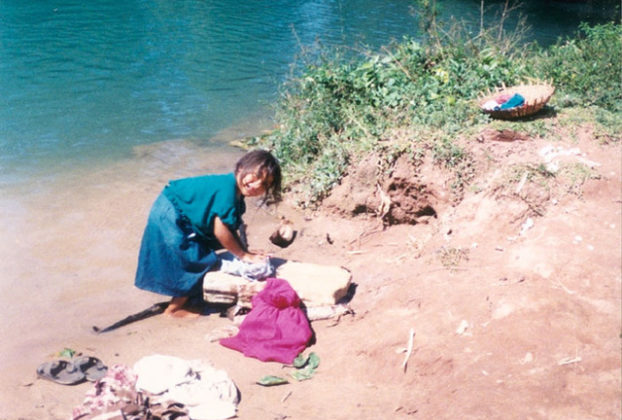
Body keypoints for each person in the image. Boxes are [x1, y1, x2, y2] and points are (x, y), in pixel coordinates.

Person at [134, 149, 282, 318]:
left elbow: (231, 227)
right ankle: (173, 309)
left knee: (199, 254)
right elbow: (220, 230)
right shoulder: (227, 190)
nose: (255, 185)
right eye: (254, 177)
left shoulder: (233, 192)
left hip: (173, 208)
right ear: (240, 169)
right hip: (169, 213)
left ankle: (185, 296)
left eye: (264, 184)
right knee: (194, 260)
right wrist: (243, 255)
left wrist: (246, 251)